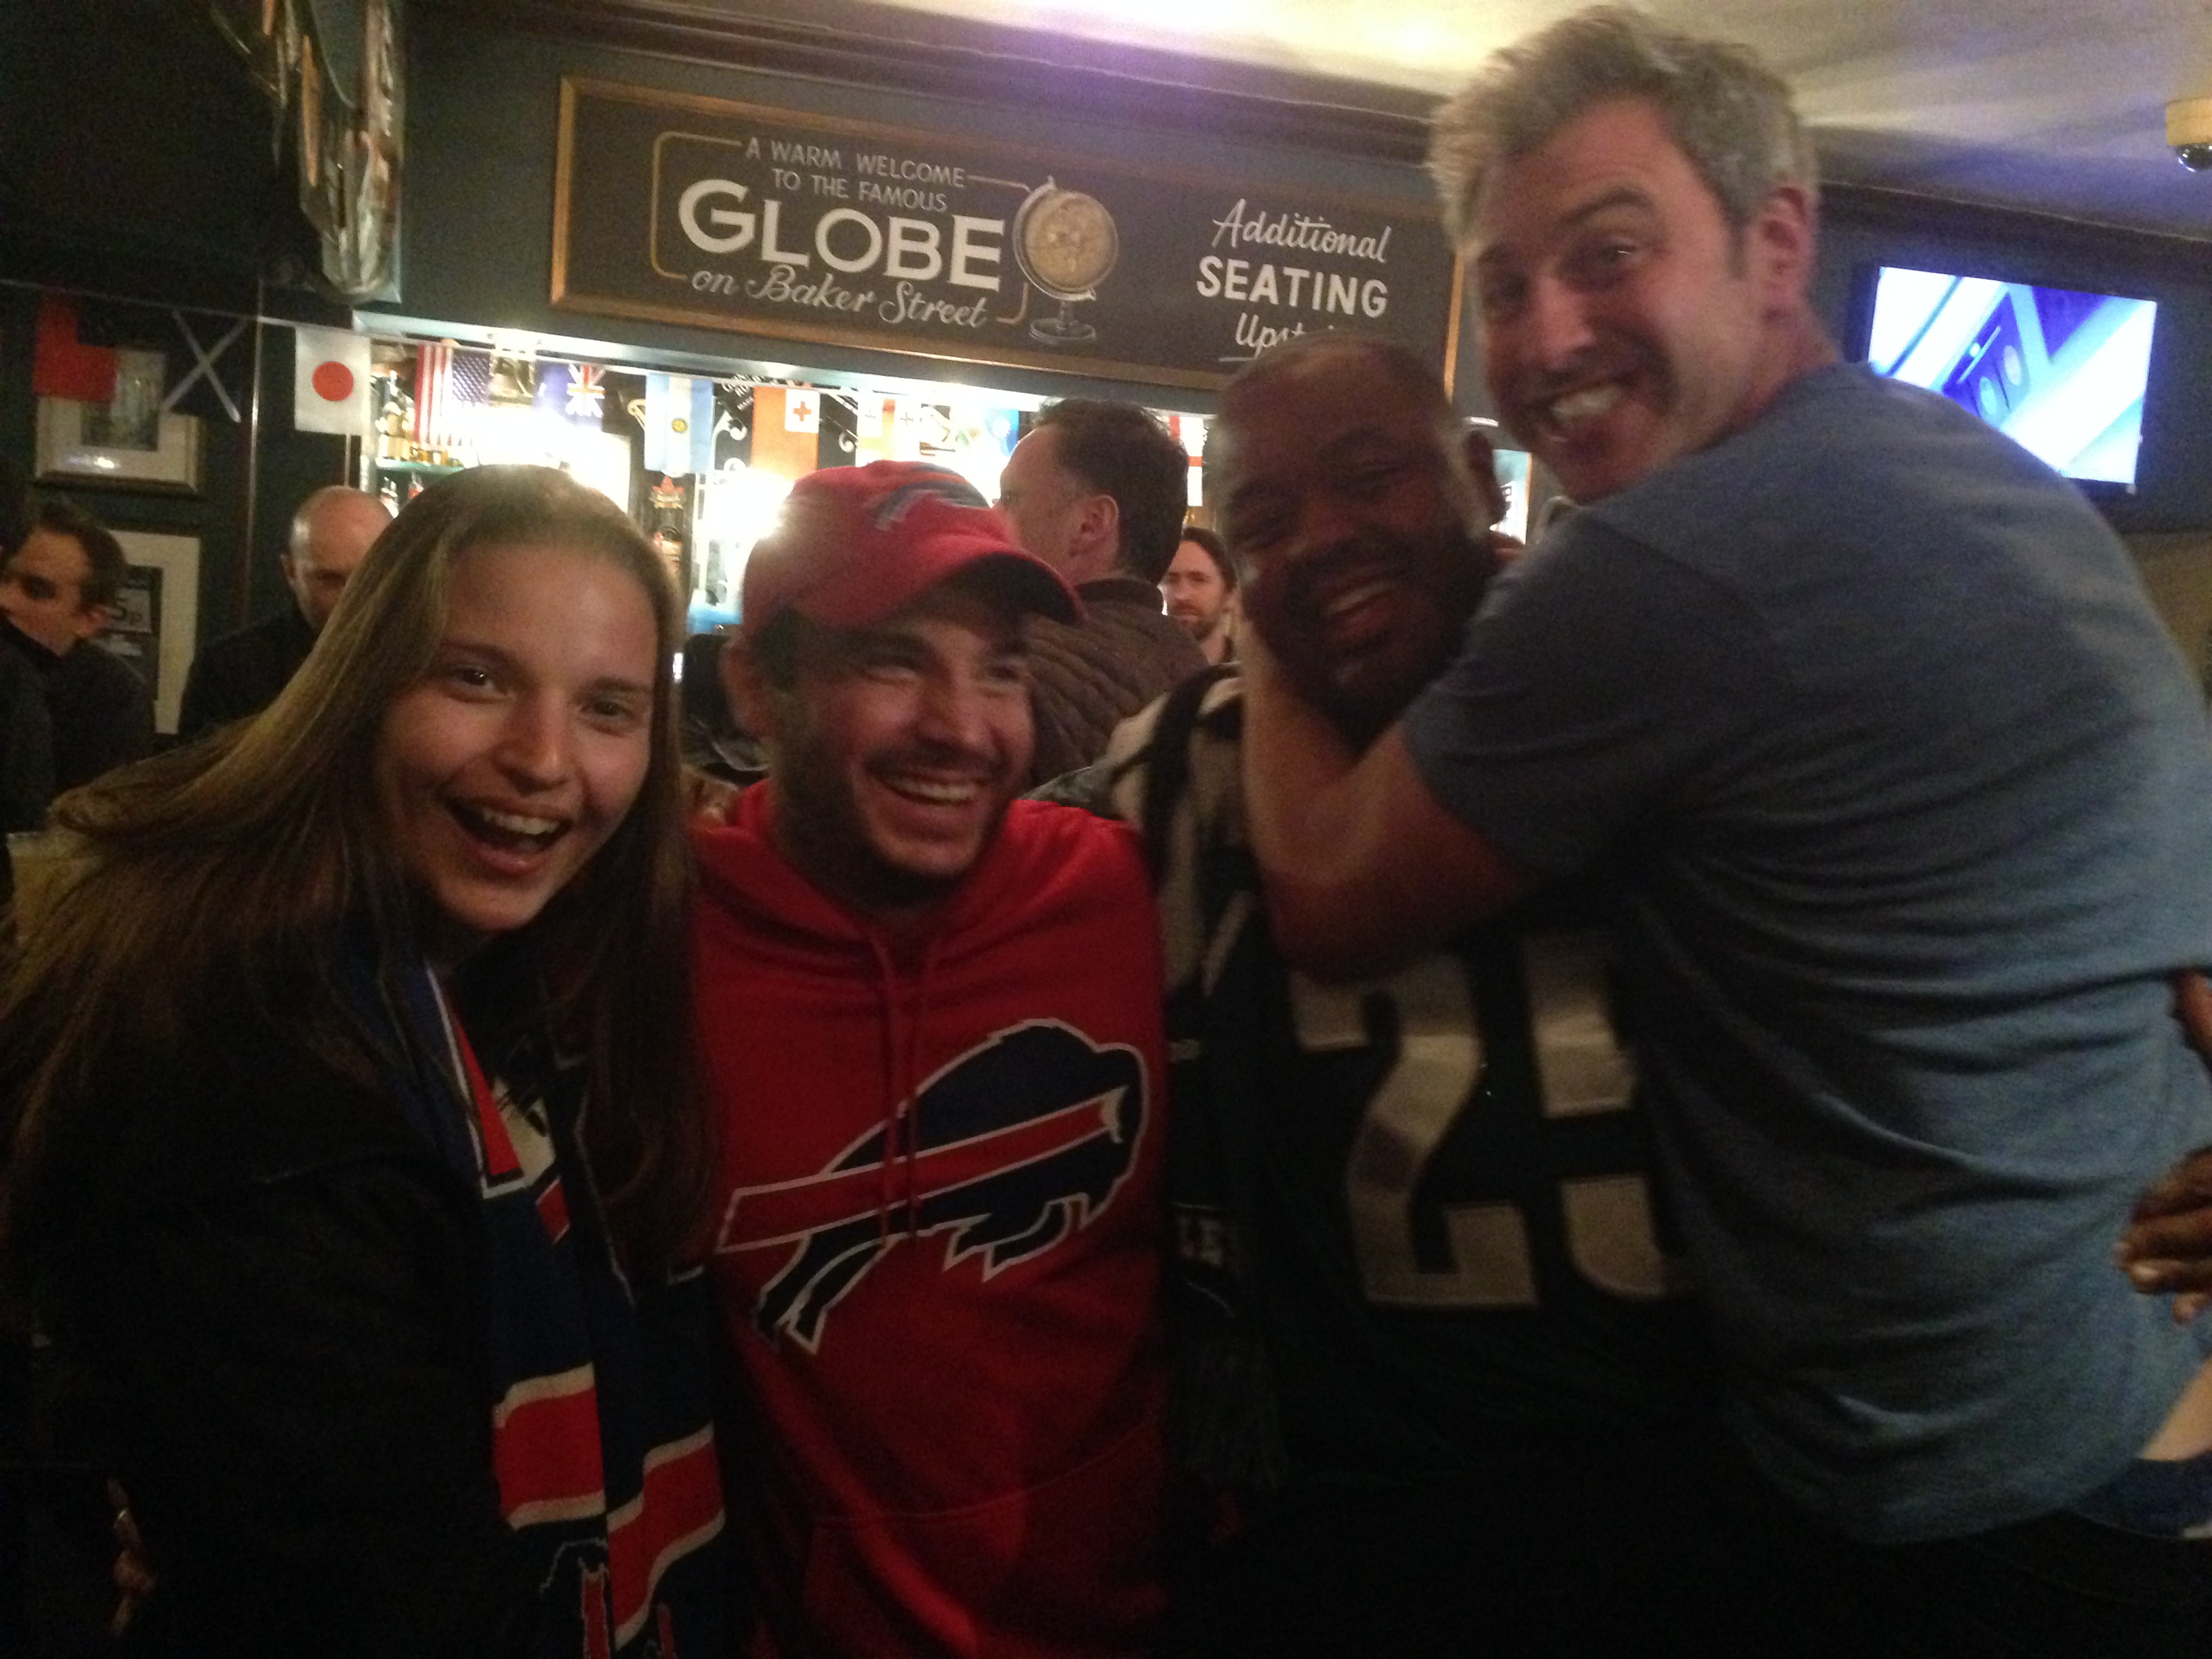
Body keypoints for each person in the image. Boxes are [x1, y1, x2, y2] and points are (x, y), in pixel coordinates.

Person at [1236, 8, 2212, 1652]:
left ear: (1776, 243)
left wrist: (1258, 625)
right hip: (2150, 1408)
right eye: (1504, 286)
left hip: (1975, 1477)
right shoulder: (1962, 464)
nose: (1546, 336)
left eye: (1608, 254)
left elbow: (1328, 896)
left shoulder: (1659, 563)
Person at [0, 466, 726, 1657]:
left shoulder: (503, 981)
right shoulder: (247, 1062)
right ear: (359, 687)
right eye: (476, 678)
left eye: (608, 707)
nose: (544, 757)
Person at [1106, 333, 1746, 1656]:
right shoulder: (1176, 771)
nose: (1319, 539)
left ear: (1480, 479)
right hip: (1339, 1527)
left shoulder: (1690, 730)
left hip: (1696, 1504)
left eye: (1366, 477)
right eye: (1263, 520)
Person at [694, 460, 1172, 1656]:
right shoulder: (657, 947)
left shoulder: (1129, 896)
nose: (962, 727)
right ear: (756, 686)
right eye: (893, 662)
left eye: (999, 670)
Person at [996, 400, 1206, 782]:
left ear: (1090, 525)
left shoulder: (1016, 668)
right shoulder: (1193, 669)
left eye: (1010, 499)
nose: (992, 518)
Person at [178, 485, 392, 740]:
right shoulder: (228, 671)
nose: (352, 598)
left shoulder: (422, 661)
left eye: (368, 577)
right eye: (330, 579)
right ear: (290, 572)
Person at [0, 495, 152, 796]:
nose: (4, 599)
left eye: (37, 591)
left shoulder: (114, 696)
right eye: (2, 577)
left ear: (89, 620)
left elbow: (94, 819)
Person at [1160, 525, 1237, 665]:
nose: (1181, 595)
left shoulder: (1254, 673)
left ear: (1230, 595)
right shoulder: (1139, 669)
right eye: (1171, 580)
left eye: (1198, 580)